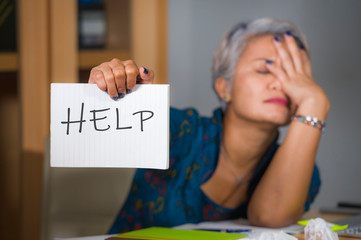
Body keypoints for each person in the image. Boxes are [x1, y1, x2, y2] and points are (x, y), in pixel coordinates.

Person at [88, 17, 330, 233]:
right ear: (224, 87)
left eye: (294, 76)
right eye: (264, 70)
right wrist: (108, 86)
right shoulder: (182, 132)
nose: (281, 85)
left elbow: (267, 217)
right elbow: (102, 133)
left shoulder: (304, 173)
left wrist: (315, 103)